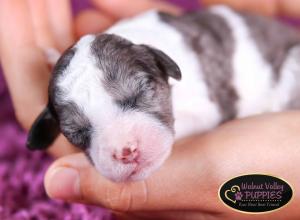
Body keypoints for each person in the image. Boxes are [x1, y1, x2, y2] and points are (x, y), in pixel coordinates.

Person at [0, 0, 299, 219]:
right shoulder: (137, 61)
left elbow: (211, 107)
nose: (123, 149)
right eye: (82, 132)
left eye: (136, 98)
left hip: (285, 68)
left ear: (163, 67)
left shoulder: (186, 67)